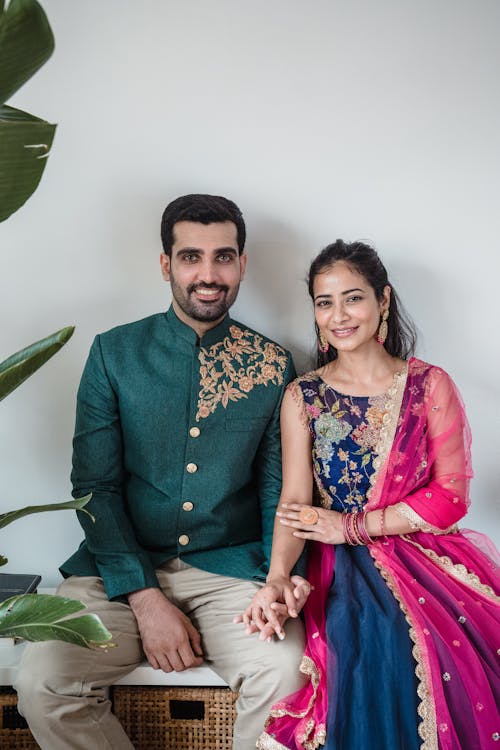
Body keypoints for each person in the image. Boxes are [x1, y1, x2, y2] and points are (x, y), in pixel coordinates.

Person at [15, 194, 308, 750]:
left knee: (287, 675)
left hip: (231, 573)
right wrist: (144, 598)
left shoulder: (272, 364)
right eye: (191, 256)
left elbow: (277, 490)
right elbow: (93, 488)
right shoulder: (114, 353)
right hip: (117, 574)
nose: (208, 274)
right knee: (43, 680)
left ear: (242, 264)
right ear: (165, 263)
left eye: (223, 257)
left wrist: (277, 577)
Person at [241, 240, 500, 750]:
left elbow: (451, 497)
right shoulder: (305, 396)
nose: (338, 315)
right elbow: (294, 502)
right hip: (336, 567)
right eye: (323, 302)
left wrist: (352, 526)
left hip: (424, 554)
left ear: (384, 300)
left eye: (352, 298)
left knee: (449, 645)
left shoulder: (429, 385)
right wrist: (276, 578)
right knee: (371, 638)